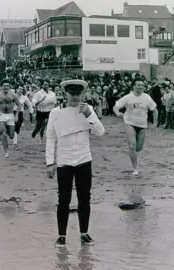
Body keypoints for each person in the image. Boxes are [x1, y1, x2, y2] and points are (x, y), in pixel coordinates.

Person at [45, 79, 105, 248]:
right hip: (64, 160)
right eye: (72, 94)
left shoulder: (88, 109)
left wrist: (89, 114)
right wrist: (50, 162)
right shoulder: (56, 112)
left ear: (82, 94)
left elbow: (100, 132)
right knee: (64, 198)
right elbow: (50, 137)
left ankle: (84, 233)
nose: (75, 97)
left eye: (78, 94)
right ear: (65, 93)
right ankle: (61, 235)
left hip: (83, 158)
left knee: (84, 197)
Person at [113, 77, 158, 176]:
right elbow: (116, 106)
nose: (140, 87)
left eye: (142, 85)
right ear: (134, 86)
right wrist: (117, 113)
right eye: (138, 85)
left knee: (138, 148)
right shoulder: (128, 97)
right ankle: (135, 168)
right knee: (132, 146)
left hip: (142, 125)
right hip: (130, 123)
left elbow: (155, 110)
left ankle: (134, 154)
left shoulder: (146, 97)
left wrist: (155, 124)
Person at [0, 80, 20, 158]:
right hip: (2, 115)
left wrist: (16, 115)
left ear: (9, 87)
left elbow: (19, 105)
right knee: (4, 133)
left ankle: (1, 135)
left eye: (7, 86)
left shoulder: (13, 95)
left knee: (11, 135)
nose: (6, 87)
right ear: (2, 86)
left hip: (10, 115)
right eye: (4, 86)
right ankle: (6, 152)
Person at [13, 85, 33, 150]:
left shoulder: (24, 97)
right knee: (15, 127)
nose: (21, 90)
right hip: (13, 112)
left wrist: (31, 111)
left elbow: (29, 104)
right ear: (16, 89)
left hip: (21, 113)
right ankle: (15, 143)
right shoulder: (13, 96)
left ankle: (14, 136)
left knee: (18, 127)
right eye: (19, 89)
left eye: (22, 89)